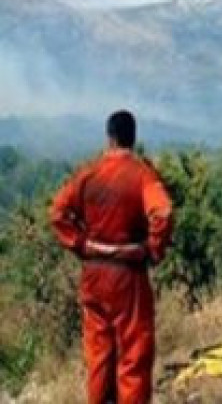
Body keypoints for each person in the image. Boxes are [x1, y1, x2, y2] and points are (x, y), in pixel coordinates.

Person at [50, 110, 173, 404]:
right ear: (133, 138)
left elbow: (56, 212)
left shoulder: (88, 173)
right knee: (133, 356)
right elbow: (163, 212)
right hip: (128, 276)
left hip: (93, 274)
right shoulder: (142, 175)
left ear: (110, 138)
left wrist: (80, 244)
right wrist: (152, 250)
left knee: (98, 356)